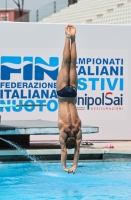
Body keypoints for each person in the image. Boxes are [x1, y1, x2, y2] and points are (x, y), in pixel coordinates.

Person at [57, 25, 82, 173]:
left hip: (72, 93)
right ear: (66, 142)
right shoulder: (64, 130)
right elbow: (64, 152)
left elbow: (77, 149)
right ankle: (68, 37)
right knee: (65, 64)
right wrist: (65, 167)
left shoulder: (78, 127)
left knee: (72, 65)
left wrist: (73, 165)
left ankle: (73, 38)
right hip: (62, 93)